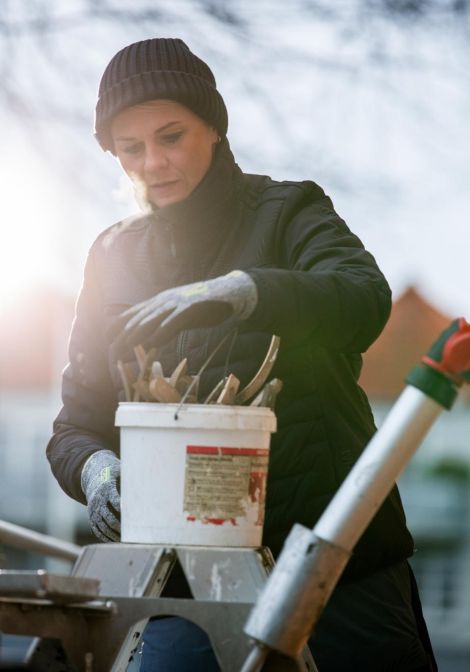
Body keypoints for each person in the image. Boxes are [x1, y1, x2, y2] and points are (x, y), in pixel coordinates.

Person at [47, 38, 436, 671]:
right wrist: (94, 471)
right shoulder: (112, 255)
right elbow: (76, 423)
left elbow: (365, 301)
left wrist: (247, 290)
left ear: (215, 128)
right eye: (131, 148)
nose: (154, 162)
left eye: (171, 136)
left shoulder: (288, 211)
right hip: (185, 583)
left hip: (334, 564)